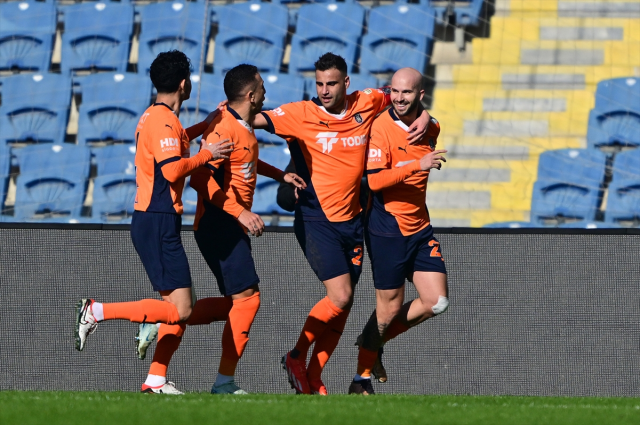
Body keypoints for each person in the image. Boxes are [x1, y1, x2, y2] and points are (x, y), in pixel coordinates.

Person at [251, 52, 433, 395]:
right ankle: (296, 356)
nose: (324, 90)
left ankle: (315, 374)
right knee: (340, 295)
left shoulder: (368, 101)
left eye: (331, 83)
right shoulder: (300, 113)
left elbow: (402, 97)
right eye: (319, 83)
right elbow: (251, 119)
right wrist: (227, 113)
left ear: (345, 83)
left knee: (344, 304)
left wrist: (426, 114)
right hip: (316, 218)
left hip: (354, 221)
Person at [136, 64, 306, 395]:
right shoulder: (223, 127)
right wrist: (240, 212)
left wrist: (279, 175)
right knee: (248, 300)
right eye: (262, 86)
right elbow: (198, 178)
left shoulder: (236, 121)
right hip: (218, 222)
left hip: (227, 221)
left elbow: (245, 161)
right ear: (251, 94)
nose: (266, 92)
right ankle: (223, 381)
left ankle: (164, 320)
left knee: (237, 304)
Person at [74, 50, 233, 394]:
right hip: (157, 221)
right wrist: (208, 154)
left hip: (155, 220)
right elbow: (172, 168)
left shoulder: (155, 117)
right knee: (181, 310)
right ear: (183, 83)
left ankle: (155, 379)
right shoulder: (162, 121)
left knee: (174, 309)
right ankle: (97, 310)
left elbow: (174, 143)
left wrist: (204, 125)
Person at [348, 68, 449, 395]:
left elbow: (431, 123)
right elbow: (375, 181)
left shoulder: (429, 126)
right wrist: (416, 166)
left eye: (407, 93)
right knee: (389, 308)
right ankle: (361, 378)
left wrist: (429, 116)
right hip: (388, 228)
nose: (399, 98)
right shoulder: (381, 127)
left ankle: (371, 342)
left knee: (437, 301)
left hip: (420, 226)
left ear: (420, 95)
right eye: (395, 92)